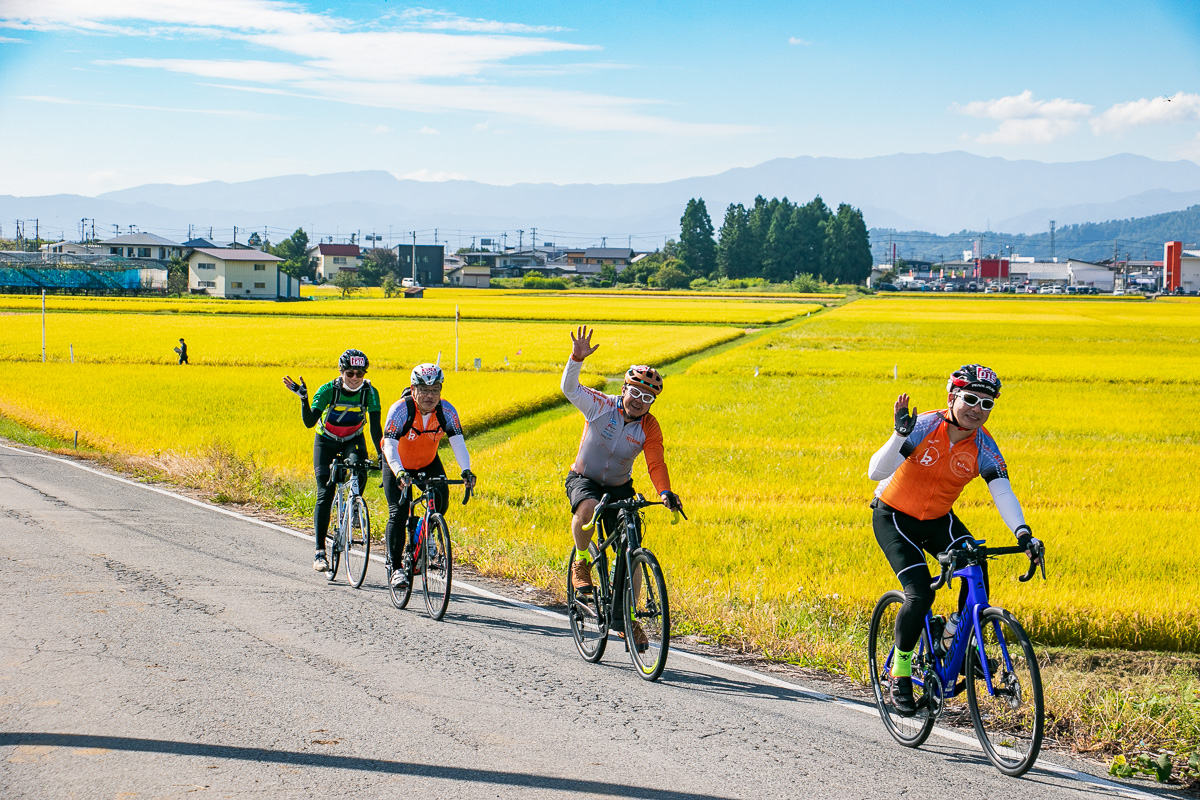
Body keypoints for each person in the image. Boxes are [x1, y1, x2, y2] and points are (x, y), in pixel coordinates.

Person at [867, 364, 1042, 716]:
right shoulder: (924, 427)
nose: (977, 409)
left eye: (986, 404)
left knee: (977, 566)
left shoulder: (985, 447)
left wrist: (1023, 533)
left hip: (937, 520)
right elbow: (876, 472)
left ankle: (952, 639)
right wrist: (899, 435)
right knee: (920, 592)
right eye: (970, 399)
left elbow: (1002, 491)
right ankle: (900, 672)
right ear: (952, 397)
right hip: (894, 516)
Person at [562, 325, 683, 647]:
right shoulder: (601, 405)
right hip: (584, 479)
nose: (640, 402)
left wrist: (665, 492)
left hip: (619, 487)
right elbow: (570, 389)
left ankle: (626, 618)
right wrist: (576, 359)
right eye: (635, 393)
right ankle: (582, 561)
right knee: (587, 508)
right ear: (624, 389)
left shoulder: (649, 426)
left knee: (632, 551)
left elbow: (655, 462)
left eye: (648, 397)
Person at [283, 349, 383, 572]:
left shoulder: (370, 392)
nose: (355, 378)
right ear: (342, 372)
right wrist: (303, 398)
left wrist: (382, 455)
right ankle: (320, 552)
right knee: (324, 492)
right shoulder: (328, 390)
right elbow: (310, 422)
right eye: (350, 373)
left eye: (360, 373)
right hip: (326, 441)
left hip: (353, 438)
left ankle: (355, 505)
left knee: (360, 466)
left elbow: (376, 428)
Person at [381, 363, 476, 588]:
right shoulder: (401, 410)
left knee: (441, 502)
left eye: (435, 390)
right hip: (397, 463)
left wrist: (466, 470)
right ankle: (396, 569)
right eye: (424, 389)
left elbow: (459, 443)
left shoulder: (447, 411)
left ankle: (425, 534)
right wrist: (399, 472)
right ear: (413, 390)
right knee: (399, 511)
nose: (430, 395)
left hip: (427, 462)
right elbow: (390, 447)